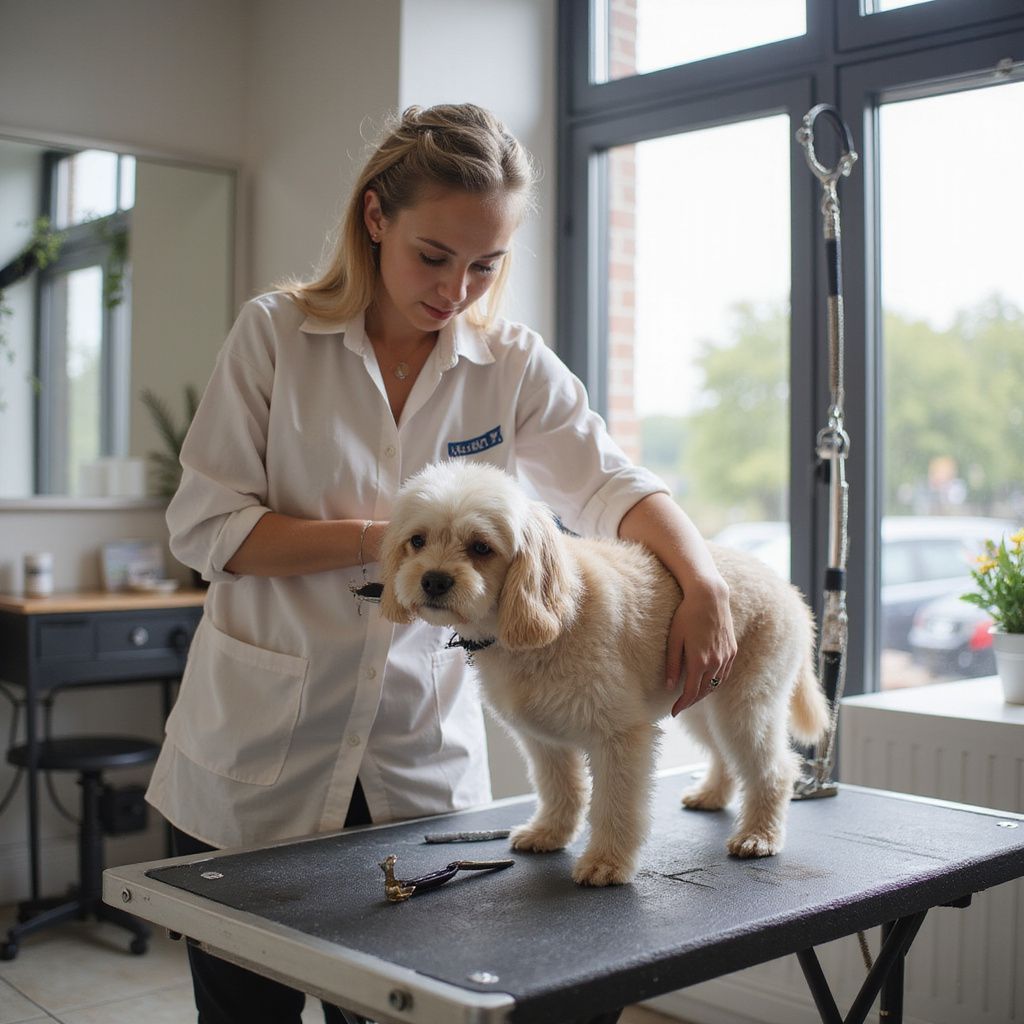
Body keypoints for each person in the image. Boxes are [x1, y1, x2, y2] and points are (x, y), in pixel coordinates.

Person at [149, 102, 737, 1024]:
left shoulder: (509, 365)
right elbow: (207, 527)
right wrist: (392, 544)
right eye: (435, 255)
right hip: (256, 757)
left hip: (414, 767)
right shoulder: (275, 337)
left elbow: (611, 484)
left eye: (485, 264)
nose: (457, 287)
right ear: (376, 217)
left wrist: (702, 585)